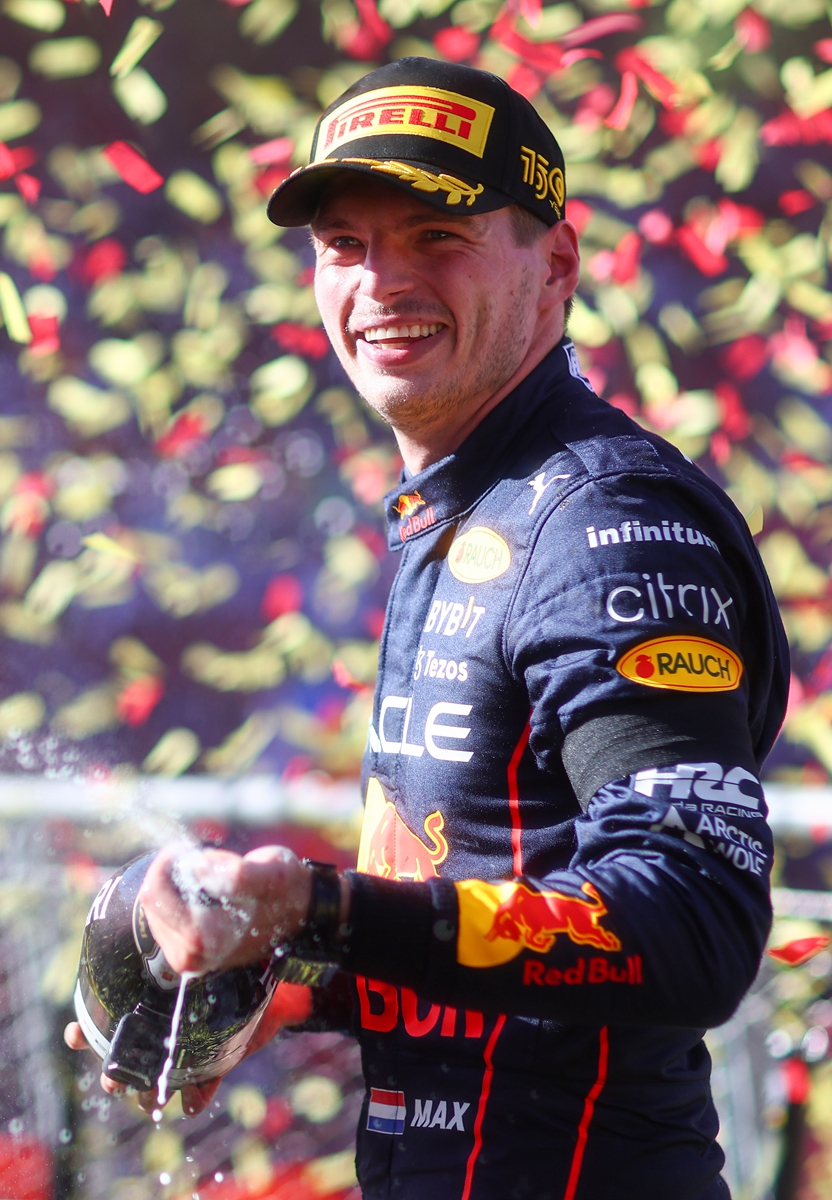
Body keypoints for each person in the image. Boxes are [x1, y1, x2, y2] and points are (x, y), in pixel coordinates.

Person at [66, 57, 789, 1199]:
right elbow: (513, 919)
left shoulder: (602, 520)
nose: (381, 280)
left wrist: (314, 905)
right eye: (345, 245)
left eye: (434, 235)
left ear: (555, 264)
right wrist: (287, 980)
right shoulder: (465, 503)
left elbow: (689, 925)